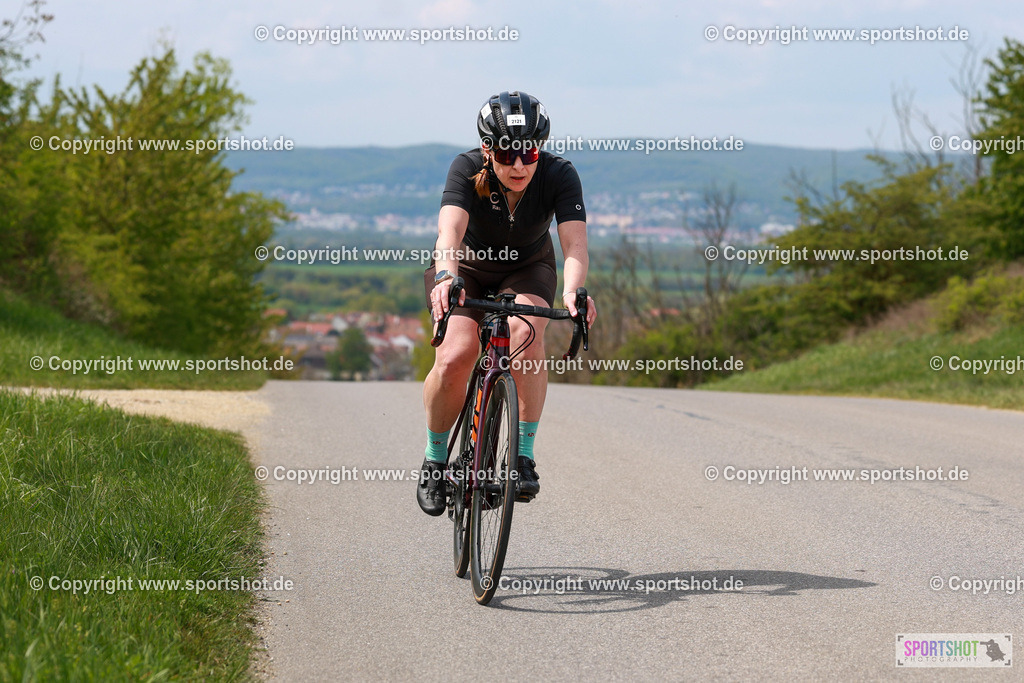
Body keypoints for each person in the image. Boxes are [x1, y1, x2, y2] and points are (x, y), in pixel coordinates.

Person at [417, 90, 597, 516]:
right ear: (487, 149)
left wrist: (573, 292)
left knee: (526, 333)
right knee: (457, 354)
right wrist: (446, 276)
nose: (518, 165)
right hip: (467, 268)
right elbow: (450, 234)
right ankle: (435, 458)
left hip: (528, 268)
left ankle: (523, 455)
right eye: (506, 153)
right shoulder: (464, 168)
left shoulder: (559, 174)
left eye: (529, 153)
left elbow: (574, 245)